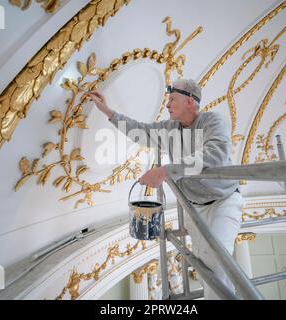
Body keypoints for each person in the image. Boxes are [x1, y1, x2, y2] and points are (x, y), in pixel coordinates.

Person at [87, 79, 244, 299]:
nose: (167, 104)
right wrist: (107, 111)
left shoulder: (211, 122)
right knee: (205, 268)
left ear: (190, 101)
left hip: (223, 202)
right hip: (194, 209)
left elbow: (214, 154)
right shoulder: (169, 129)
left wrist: (165, 171)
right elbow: (139, 131)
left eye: (172, 99)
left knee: (218, 261)